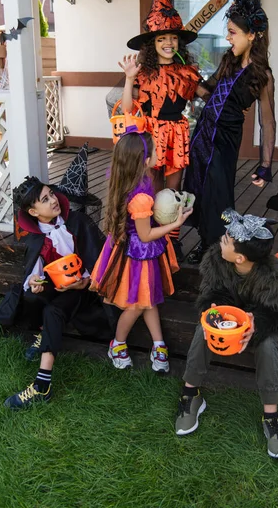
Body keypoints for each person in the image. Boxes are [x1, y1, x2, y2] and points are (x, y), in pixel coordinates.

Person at [175, 208, 278, 459]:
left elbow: (276, 313)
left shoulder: (274, 274)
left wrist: (256, 324)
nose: (221, 240)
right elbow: (209, 294)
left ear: (240, 257)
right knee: (203, 329)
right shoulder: (215, 260)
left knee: (266, 345)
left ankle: (271, 416)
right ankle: (191, 395)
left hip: (257, 323)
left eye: (227, 240)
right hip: (226, 320)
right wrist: (214, 308)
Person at [0, 177, 105, 409]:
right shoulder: (37, 237)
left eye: (52, 194)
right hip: (56, 286)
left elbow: (98, 260)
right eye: (45, 200)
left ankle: (42, 384)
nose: (53, 200)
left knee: (54, 311)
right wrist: (34, 281)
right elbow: (33, 272)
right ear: (33, 211)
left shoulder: (77, 222)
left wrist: (83, 282)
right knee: (31, 294)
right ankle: (43, 334)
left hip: (82, 289)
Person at [184, 0, 276, 264]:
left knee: (218, 194)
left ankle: (219, 249)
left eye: (233, 32)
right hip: (203, 132)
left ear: (252, 35)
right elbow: (208, 92)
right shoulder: (228, 61)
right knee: (199, 188)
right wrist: (188, 75)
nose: (227, 37)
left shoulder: (262, 75)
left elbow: (267, 121)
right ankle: (205, 243)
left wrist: (266, 165)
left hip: (224, 140)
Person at [90, 129, 192, 373]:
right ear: (145, 160)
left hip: (133, 249)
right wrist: (174, 224)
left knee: (150, 299)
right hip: (137, 256)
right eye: (155, 150)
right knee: (136, 304)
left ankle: (159, 344)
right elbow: (146, 235)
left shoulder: (134, 179)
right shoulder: (141, 198)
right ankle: (118, 343)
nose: (159, 152)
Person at [119, 0, 206, 259]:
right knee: (153, 188)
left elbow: (206, 95)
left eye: (172, 37)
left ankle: (173, 241)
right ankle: (153, 237)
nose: (168, 42)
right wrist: (129, 79)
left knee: (175, 188)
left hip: (177, 132)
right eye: (162, 38)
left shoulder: (188, 73)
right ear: (152, 43)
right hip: (151, 134)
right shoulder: (143, 73)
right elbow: (128, 109)